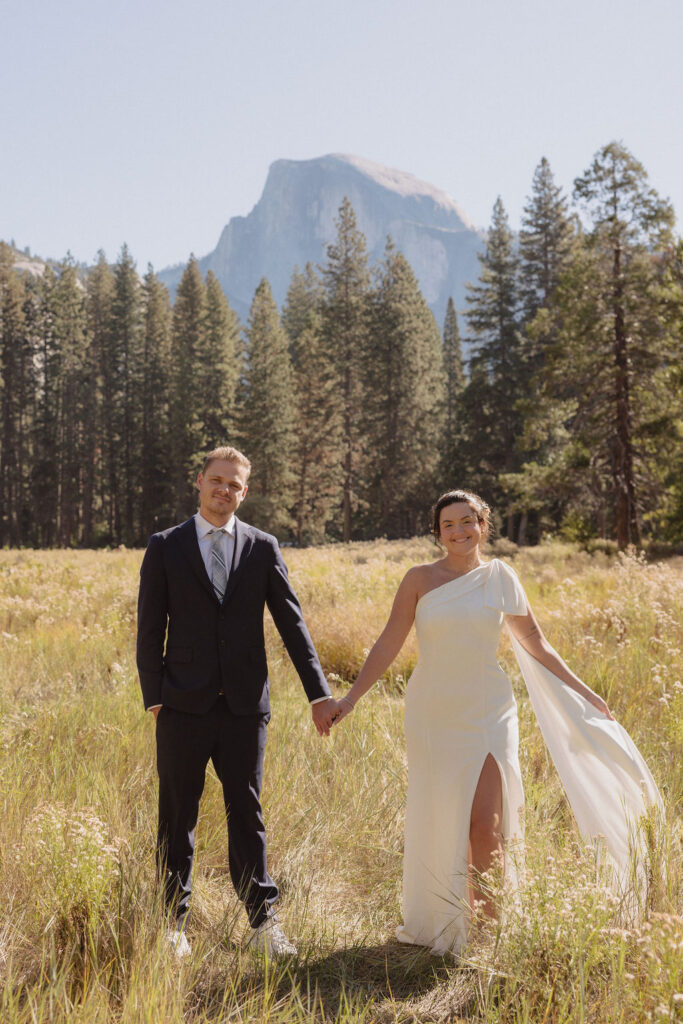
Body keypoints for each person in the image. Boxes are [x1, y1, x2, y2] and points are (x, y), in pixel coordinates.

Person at [332, 489, 663, 955]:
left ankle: (488, 933)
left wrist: (586, 693)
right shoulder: (419, 579)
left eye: (468, 521)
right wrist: (350, 698)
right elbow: (388, 642)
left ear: (484, 525)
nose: (459, 531)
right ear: (438, 532)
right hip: (433, 712)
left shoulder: (500, 577)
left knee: (485, 825)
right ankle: (444, 920)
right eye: (448, 525)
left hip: (489, 709)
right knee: (443, 815)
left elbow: (536, 642)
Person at [136, 445, 340, 959]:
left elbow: (292, 623)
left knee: (246, 812)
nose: (224, 490)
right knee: (176, 813)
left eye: (235, 484)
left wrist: (319, 693)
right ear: (199, 480)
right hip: (180, 705)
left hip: (246, 707)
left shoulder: (263, 547)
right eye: (217, 480)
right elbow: (149, 627)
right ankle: (172, 924)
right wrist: (154, 698)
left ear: (244, 492)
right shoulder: (165, 546)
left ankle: (262, 923)